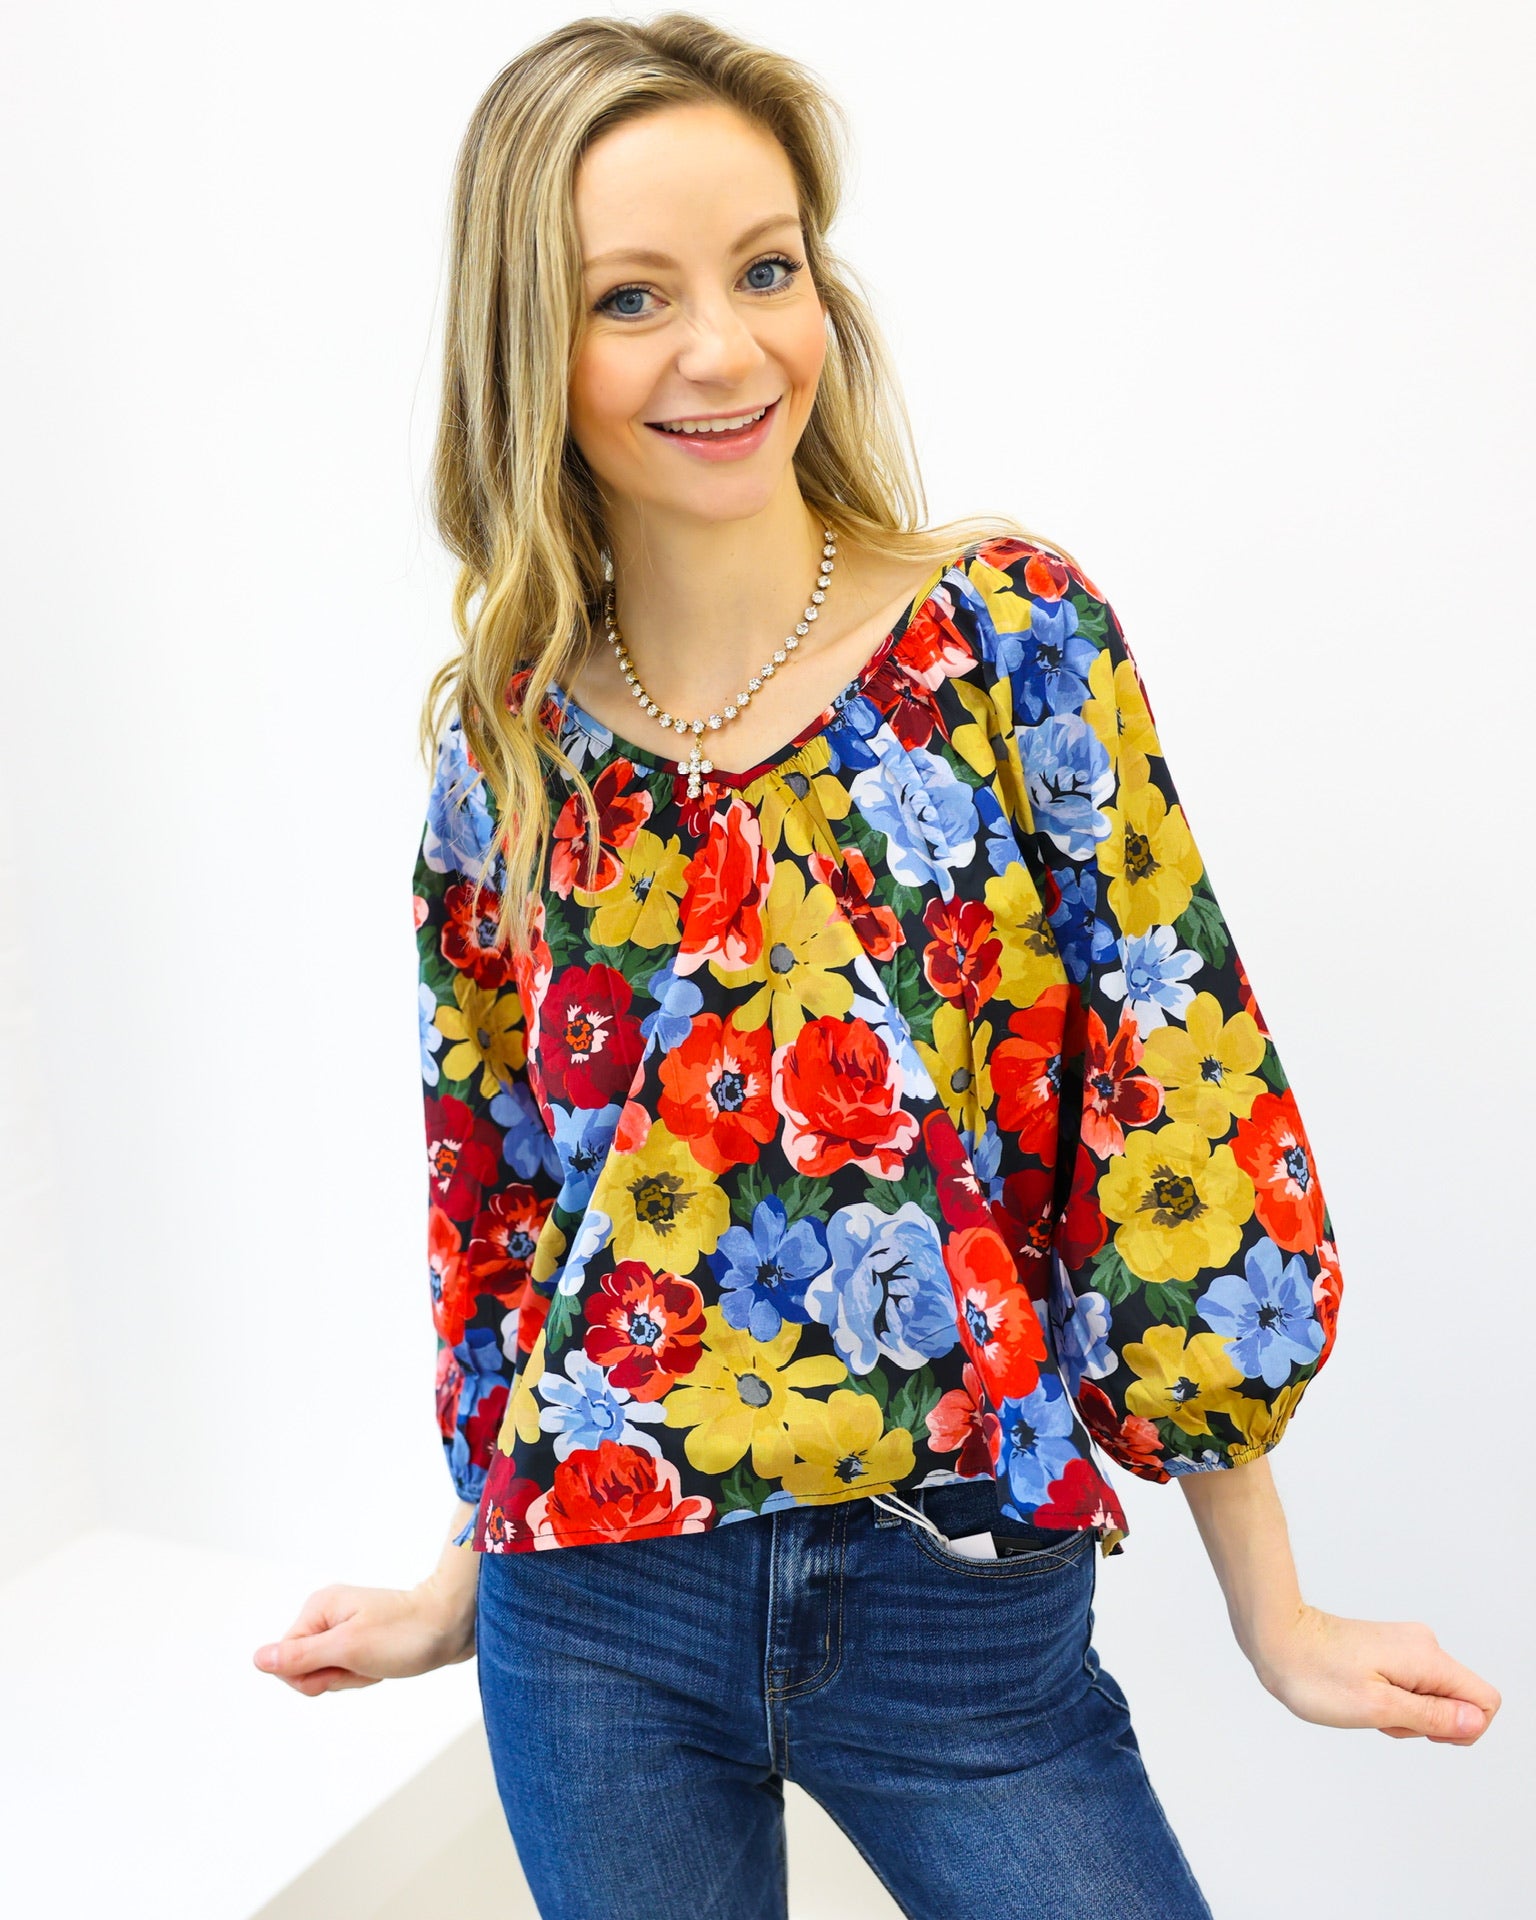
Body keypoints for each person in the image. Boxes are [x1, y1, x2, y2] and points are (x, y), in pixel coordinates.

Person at [253, 14, 1501, 1918]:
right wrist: (453, 1577)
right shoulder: (507, 747)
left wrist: (1277, 1610)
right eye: (630, 298)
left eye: (766, 269)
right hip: (591, 1624)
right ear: (527, 348)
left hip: (960, 1601)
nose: (724, 349)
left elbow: (1173, 1093)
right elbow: (504, 1206)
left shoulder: (1011, 640)